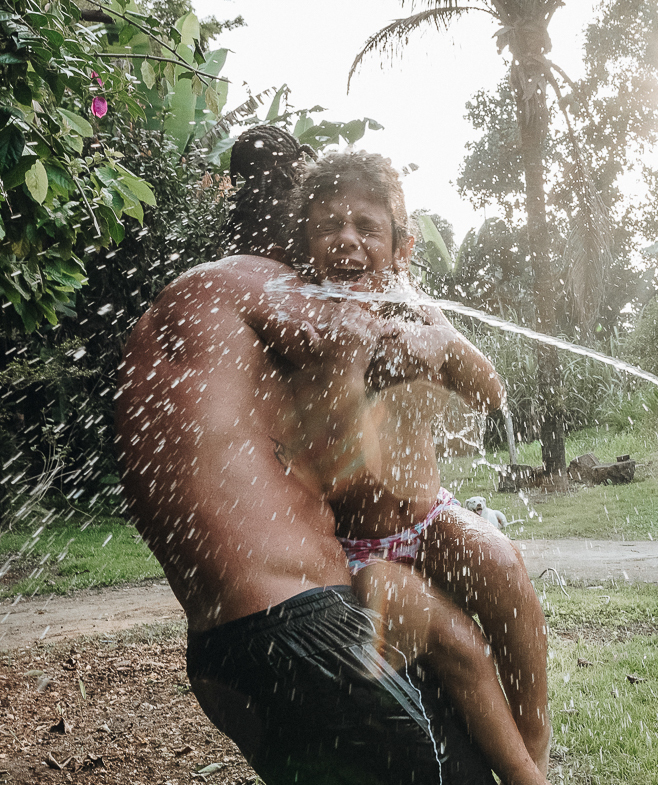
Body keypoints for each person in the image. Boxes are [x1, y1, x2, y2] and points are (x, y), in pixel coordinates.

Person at [114, 128, 505, 785]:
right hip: (302, 628)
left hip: (219, 659)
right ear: (296, 228)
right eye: (323, 226)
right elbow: (379, 341)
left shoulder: (190, 301)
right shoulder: (272, 286)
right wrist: (425, 323)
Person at [265, 149, 549, 783]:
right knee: (458, 644)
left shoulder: (414, 309)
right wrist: (355, 365)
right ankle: (523, 777)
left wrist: (443, 344)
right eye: (328, 226)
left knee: (505, 569)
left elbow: (491, 390)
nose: (347, 240)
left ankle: (539, 753)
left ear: (400, 246)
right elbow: (327, 458)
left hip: (429, 516)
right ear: (305, 243)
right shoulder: (302, 325)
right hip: (356, 549)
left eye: (367, 227)